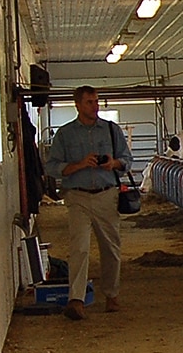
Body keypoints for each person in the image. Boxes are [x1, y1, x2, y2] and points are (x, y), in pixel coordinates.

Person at [42, 85, 132, 320]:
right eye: (90, 102)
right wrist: (80, 164)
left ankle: (112, 295)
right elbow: (52, 166)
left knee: (111, 247)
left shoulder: (112, 131)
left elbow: (127, 160)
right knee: (79, 248)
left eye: (97, 101)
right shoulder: (65, 134)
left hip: (106, 194)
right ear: (78, 105)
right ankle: (76, 299)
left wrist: (114, 163)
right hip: (78, 196)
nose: (95, 106)